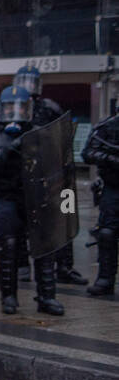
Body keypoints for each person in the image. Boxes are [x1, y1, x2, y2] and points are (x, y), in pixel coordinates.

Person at [0, 85, 64, 316]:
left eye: (20, 107)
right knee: (9, 247)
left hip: (37, 199)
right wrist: (6, 152)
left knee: (45, 248)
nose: (15, 112)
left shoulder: (39, 133)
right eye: (10, 107)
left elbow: (58, 163)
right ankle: (9, 296)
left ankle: (46, 297)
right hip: (8, 199)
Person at [13, 65, 87, 285]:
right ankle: (22, 266)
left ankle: (64, 267)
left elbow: (61, 135)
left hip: (50, 172)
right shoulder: (10, 105)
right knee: (18, 222)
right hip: (21, 173)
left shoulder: (49, 107)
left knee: (61, 219)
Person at [81, 111, 119, 297]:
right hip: (113, 187)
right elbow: (87, 153)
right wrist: (111, 159)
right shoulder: (108, 126)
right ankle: (105, 279)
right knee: (107, 233)